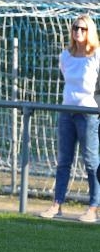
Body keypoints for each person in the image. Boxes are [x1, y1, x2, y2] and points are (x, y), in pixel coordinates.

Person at [40, 14, 100, 223]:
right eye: (75, 28)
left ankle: (93, 207)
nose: (78, 32)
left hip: (88, 114)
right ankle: (57, 204)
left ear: (90, 31)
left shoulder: (96, 55)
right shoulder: (65, 55)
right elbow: (68, 80)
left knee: (91, 162)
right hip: (67, 112)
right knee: (64, 161)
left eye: (83, 29)